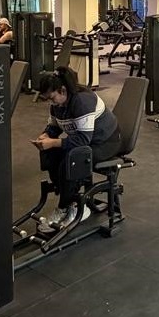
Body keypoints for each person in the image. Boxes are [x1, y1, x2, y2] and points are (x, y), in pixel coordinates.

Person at [33, 67, 122, 231]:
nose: (51, 102)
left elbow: (82, 140)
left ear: (63, 90)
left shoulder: (82, 101)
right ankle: (70, 202)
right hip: (87, 142)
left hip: (106, 142)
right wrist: (46, 135)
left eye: (52, 98)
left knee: (72, 159)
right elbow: (55, 126)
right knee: (51, 154)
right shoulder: (58, 103)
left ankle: (73, 207)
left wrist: (53, 142)